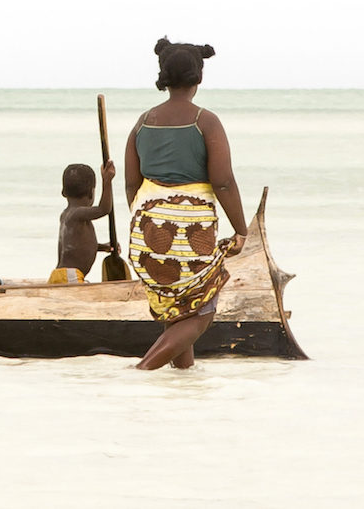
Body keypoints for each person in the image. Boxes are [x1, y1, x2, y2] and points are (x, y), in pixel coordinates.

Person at [121, 37, 246, 370]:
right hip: (191, 229)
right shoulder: (206, 121)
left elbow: (131, 183)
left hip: (145, 228)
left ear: (163, 76)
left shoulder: (142, 122)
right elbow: (223, 181)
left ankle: (184, 382)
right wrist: (241, 230)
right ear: (199, 77)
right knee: (202, 313)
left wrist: (147, 220)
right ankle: (143, 369)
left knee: (175, 307)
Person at [51, 160, 116, 283]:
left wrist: (102, 247)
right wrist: (107, 181)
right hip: (70, 276)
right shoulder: (77, 214)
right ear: (91, 193)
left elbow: (76, 247)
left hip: (62, 274)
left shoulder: (67, 215)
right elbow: (104, 209)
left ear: (63, 192)